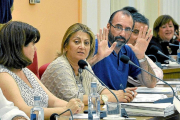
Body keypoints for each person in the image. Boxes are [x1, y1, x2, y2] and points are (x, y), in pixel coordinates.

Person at [0, 21, 84, 119]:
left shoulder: (25, 71)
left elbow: (53, 101)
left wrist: (74, 106)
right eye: (32, 44)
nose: (35, 49)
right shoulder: (3, 75)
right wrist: (66, 110)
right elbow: (24, 111)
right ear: (19, 46)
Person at [41, 23, 137, 105]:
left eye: (86, 43)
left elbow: (99, 89)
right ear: (65, 46)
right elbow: (75, 98)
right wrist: (110, 98)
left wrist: (123, 94)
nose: (82, 47)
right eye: (77, 42)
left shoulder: (83, 65)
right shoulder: (60, 66)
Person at [91, 9, 157, 90]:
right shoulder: (94, 46)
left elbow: (151, 83)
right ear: (108, 27)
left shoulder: (127, 51)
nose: (123, 34)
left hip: (120, 101)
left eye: (128, 29)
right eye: (118, 27)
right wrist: (97, 58)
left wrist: (142, 57)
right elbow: (75, 73)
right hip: (99, 100)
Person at [122, 6, 163, 87]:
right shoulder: (119, 51)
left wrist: (141, 57)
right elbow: (137, 80)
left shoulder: (137, 52)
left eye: (143, 33)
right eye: (136, 32)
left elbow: (158, 74)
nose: (139, 38)